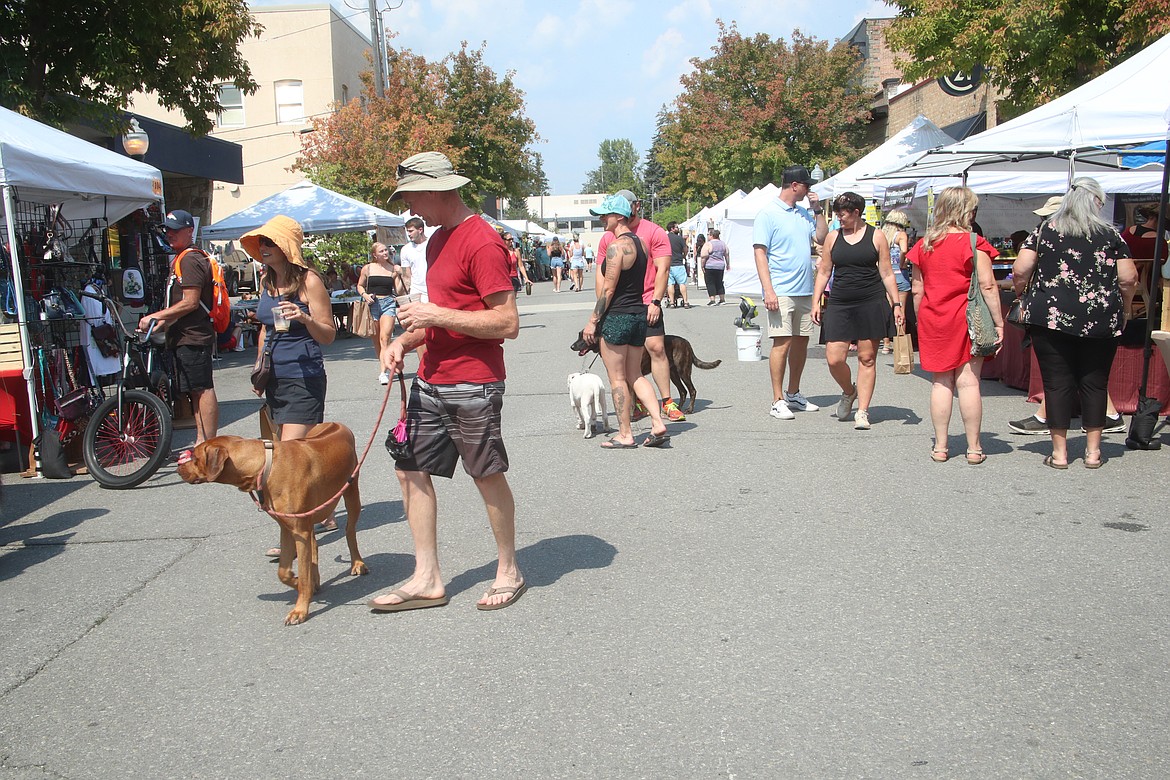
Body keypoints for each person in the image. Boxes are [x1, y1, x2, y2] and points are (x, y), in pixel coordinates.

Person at [368, 151, 526, 613]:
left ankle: (509, 569)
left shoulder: (481, 241)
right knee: (409, 468)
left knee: (485, 474)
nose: (410, 206)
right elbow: (440, 317)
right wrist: (407, 340)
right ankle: (427, 576)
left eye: (413, 195)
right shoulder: (436, 241)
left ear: (436, 189)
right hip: (432, 378)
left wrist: (432, 315)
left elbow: (507, 322)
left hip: (473, 382)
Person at [1011, 177, 1138, 469]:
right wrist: (1127, 305)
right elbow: (1128, 278)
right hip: (1101, 318)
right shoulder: (1111, 235)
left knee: (1057, 385)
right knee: (1095, 384)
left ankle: (1059, 453)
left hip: (1051, 317)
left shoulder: (1045, 231)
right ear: (1096, 203)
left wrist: (1024, 294)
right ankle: (1093, 453)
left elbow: (1020, 270)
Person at [242, 215, 337, 552]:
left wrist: (305, 317)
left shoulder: (309, 281)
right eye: (262, 244)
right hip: (276, 379)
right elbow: (266, 329)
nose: (264, 249)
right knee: (303, 455)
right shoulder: (267, 282)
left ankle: (294, 538)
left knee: (283, 460)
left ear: (286, 247)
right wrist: (259, 369)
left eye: (270, 243)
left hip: (304, 376)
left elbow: (328, 334)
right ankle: (324, 510)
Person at [906, 186, 1002, 464]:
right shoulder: (974, 243)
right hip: (966, 318)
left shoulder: (924, 244)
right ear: (965, 211)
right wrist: (999, 324)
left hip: (933, 317)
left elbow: (917, 288)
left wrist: (921, 317)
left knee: (941, 383)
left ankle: (941, 447)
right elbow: (988, 285)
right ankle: (973, 448)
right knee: (969, 383)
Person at [582, 194, 671, 449]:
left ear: (619, 216)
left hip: (618, 317)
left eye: (605, 215)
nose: (601, 219)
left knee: (618, 379)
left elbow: (608, 290)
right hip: (638, 315)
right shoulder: (641, 244)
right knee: (636, 375)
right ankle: (657, 422)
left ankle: (625, 434)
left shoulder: (615, 247)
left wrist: (593, 321)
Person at [811, 192, 903, 430]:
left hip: (871, 301)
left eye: (843, 213)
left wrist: (896, 303)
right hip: (840, 302)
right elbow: (824, 271)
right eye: (838, 213)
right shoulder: (833, 237)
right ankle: (849, 391)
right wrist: (816, 300)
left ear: (856, 213)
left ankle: (862, 411)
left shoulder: (877, 236)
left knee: (867, 358)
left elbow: (887, 273)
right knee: (834, 358)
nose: (839, 217)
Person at [596, 190, 681, 422]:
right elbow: (601, 276)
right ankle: (644, 411)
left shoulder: (651, 232)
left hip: (642, 303)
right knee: (630, 370)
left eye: (606, 215)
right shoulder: (609, 238)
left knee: (655, 350)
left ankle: (667, 402)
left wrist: (656, 301)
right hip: (622, 308)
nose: (602, 219)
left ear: (635, 207)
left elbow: (663, 269)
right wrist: (601, 306)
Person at [752, 165, 829, 420]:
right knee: (781, 343)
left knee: (801, 342)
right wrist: (768, 290)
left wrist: (817, 210)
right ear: (794, 186)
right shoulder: (768, 214)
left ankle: (793, 392)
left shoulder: (804, 213)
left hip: (804, 289)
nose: (809, 189)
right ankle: (777, 399)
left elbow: (821, 237)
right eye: (806, 185)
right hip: (781, 289)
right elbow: (760, 253)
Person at [139, 209, 219, 446]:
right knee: (194, 391)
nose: (169, 234)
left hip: (193, 337)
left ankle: (209, 444)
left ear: (189, 230)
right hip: (183, 336)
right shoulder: (182, 257)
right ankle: (200, 441)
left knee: (202, 389)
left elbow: (190, 302)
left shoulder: (191, 258)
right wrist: (158, 324)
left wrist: (156, 316)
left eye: (175, 229)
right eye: (167, 229)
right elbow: (180, 305)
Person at [357, 242, 403, 385]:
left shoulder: (392, 268)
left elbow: (399, 291)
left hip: (388, 303)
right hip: (373, 304)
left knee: (385, 339)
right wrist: (365, 295)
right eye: (381, 251)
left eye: (386, 250)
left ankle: (383, 372)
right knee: (377, 341)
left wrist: (399, 274)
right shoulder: (368, 268)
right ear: (374, 255)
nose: (385, 253)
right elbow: (360, 285)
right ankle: (384, 364)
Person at [879, 210, 911, 354]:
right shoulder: (901, 235)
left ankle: (886, 344)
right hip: (900, 276)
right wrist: (903, 262)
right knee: (900, 312)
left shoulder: (882, 235)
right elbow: (904, 250)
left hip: (886, 276)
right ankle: (900, 347)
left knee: (887, 310)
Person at [399, 216, 429, 302]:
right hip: (416, 291)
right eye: (407, 231)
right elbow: (406, 273)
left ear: (420, 230)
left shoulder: (432, 244)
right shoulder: (405, 249)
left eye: (411, 231)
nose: (408, 234)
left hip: (432, 289)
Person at [701, 229, 729, 306]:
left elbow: (704, 256)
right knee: (719, 282)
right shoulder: (723, 244)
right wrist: (728, 264)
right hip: (720, 266)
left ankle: (712, 300)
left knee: (710, 282)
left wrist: (702, 266)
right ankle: (722, 299)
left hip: (710, 266)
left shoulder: (708, 244)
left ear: (711, 236)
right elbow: (726, 254)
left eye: (708, 235)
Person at [666, 221, 691, 308]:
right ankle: (686, 302)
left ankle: (672, 302)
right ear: (672, 228)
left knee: (670, 284)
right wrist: (684, 256)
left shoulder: (665, 238)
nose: (678, 229)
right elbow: (685, 249)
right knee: (682, 283)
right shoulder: (679, 238)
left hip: (669, 264)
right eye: (676, 227)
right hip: (678, 263)